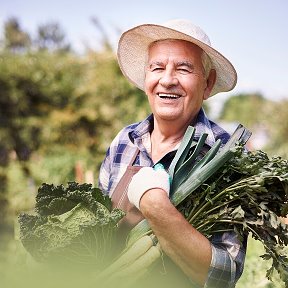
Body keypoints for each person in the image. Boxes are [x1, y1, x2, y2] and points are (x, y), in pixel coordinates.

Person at [98, 19, 246, 288]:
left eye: (183, 68)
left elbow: (223, 276)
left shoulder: (226, 156)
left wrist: (155, 206)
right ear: (146, 79)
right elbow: (93, 230)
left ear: (208, 83)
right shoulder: (124, 142)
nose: (167, 80)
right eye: (157, 68)